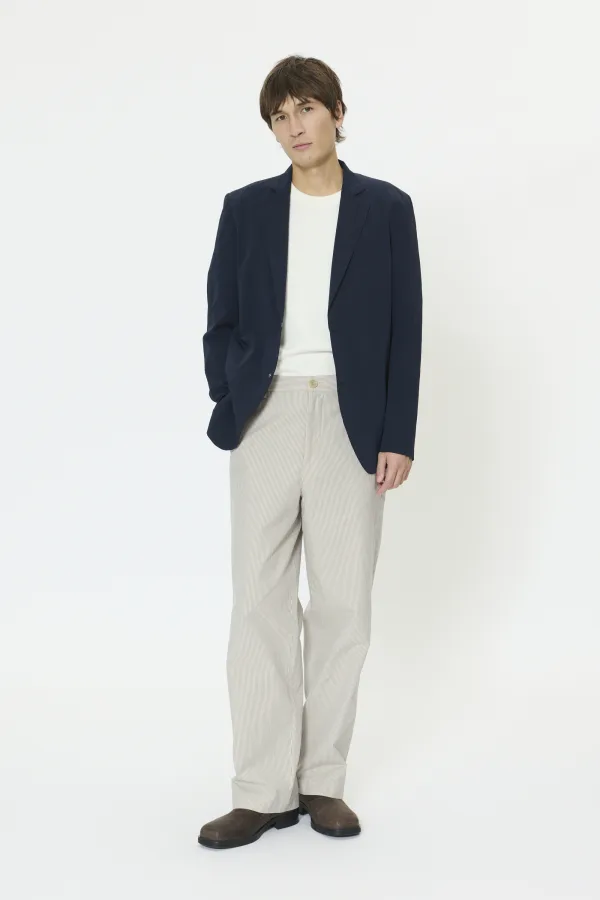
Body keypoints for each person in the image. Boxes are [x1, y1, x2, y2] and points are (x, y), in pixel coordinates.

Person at [198, 55, 423, 850]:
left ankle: (323, 780)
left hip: (350, 422)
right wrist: (232, 394)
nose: (294, 126)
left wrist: (396, 433)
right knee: (257, 602)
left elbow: (406, 324)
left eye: (306, 108)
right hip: (265, 413)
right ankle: (262, 790)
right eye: (279, 116)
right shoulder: (246, 209)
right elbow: (221, 317)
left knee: (342, 605)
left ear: (336, 112)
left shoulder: (385, 208)